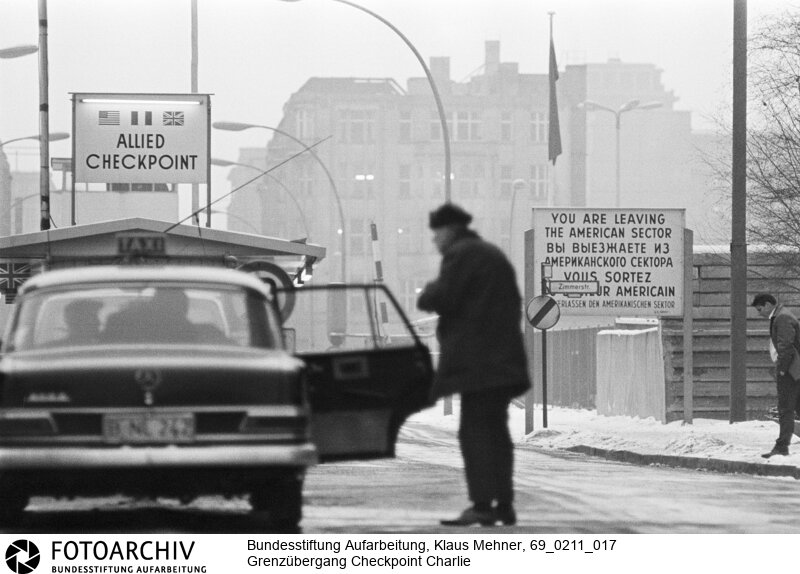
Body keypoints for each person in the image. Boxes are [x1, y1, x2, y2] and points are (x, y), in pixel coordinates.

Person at [417, 203, 531, 527]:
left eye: (437, 233)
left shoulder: (462, 255)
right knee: (496, 433)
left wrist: (428, 292)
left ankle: (482, 505)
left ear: (450, 230)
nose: (434, 240)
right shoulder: (490, 254)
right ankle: (504, 504)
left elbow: (444, 296)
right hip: (501, 361)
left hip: (480, 365)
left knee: (475, 434)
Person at [752, 293, 800, 458]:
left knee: (786, 409)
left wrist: (782, 369)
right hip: (795, 371)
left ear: (767, 305)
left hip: (791, 371)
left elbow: (786, 346)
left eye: (760, 309)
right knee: (796, 407)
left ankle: (781, 447)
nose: (759, 313)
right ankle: (782, 446)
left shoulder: (782, 318)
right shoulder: (782, 315)